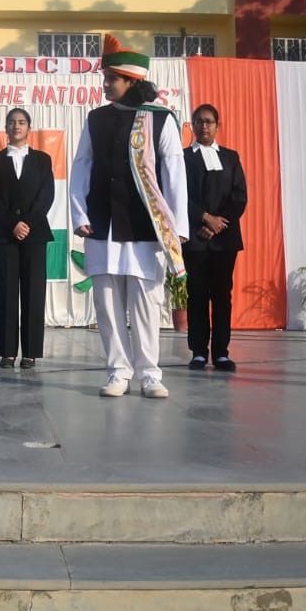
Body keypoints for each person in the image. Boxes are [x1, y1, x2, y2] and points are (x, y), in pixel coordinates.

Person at [70, 35, 189, 399]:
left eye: (112, 79)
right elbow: (82, 165)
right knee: (106, 302)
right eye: (105, 79)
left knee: (146, 301)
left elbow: (174, 172)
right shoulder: (96, 119)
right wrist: (79, 213)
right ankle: (117, 371)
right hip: (102, 223)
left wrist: (178, 226)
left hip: (145, 225)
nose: (105, 85)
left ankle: (149, 373)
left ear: (131, 81)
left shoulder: (160, 119)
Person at [0, 107, 54, 370]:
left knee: (34, 293)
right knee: (6, 293)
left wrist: (27, 224)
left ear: (28, 128)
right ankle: (7, 352)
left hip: (35, 234)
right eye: (12, 122)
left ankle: (31, 352)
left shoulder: (43, 159)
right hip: (4, 234)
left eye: (21, 122)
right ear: (6, 128)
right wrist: (13, 224)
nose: (16, 126)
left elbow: (46, 196)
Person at [183, 103, 247, 371]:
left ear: (217, 126)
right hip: (195, 238)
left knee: (222, 296)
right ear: (193, 125)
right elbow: (178, 194)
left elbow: (239, 197)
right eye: (198, 121)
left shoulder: (231, 158)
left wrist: (217, 224)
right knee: (197, 294)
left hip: (224, 239)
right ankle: (199, 352)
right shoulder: (182, 157)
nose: (204, 126)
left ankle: (221, 352)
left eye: (209, 121)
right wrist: (204, 218)